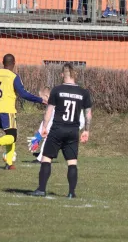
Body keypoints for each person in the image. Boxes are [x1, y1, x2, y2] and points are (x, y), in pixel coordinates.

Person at [29, 63, 92, 198]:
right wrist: (86, 130)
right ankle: (71, 192)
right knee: (72, 162)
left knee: (46, 159)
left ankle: (41, 189)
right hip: (73, 131)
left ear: (62, 75)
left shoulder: (57, 90)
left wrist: (44, 128)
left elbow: (49, 111)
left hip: (57, 129)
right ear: (75, 75)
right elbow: (88, 114)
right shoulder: (83, 93)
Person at [0, 54, 45, 170]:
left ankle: (9, 163)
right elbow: (24, 94)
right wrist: (41, 100)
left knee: (10, 135)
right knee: (12, 137)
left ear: (3, 62)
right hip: (7, 110)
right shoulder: (13, 77)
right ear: (14, 63)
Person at [28, 86, 85, 163]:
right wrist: (39, 134)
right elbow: (47, 121)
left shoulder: (54, 104)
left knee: (49, 137)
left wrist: (39, 136)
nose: (42, 101)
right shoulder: (57, 101)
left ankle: (41, 158)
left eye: (42, 98)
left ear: (47, 96)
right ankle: (44, 153)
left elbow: (49, 122)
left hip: (74, 124)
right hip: (72, 124)